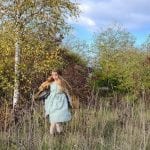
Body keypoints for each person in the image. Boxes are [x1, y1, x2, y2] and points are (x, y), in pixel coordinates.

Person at [37, 69, 72, 135]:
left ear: (59, 75)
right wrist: (42, 89)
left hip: (61, 103)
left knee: (57, 122)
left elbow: (67, 93)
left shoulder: (62, 83)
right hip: (52, 103)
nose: (54, 76)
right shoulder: (50, 83)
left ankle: (60, 136)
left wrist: (70, 102)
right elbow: (43, 89)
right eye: (53, 75)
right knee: (53, 121)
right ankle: (53, 137)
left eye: (56, 75)